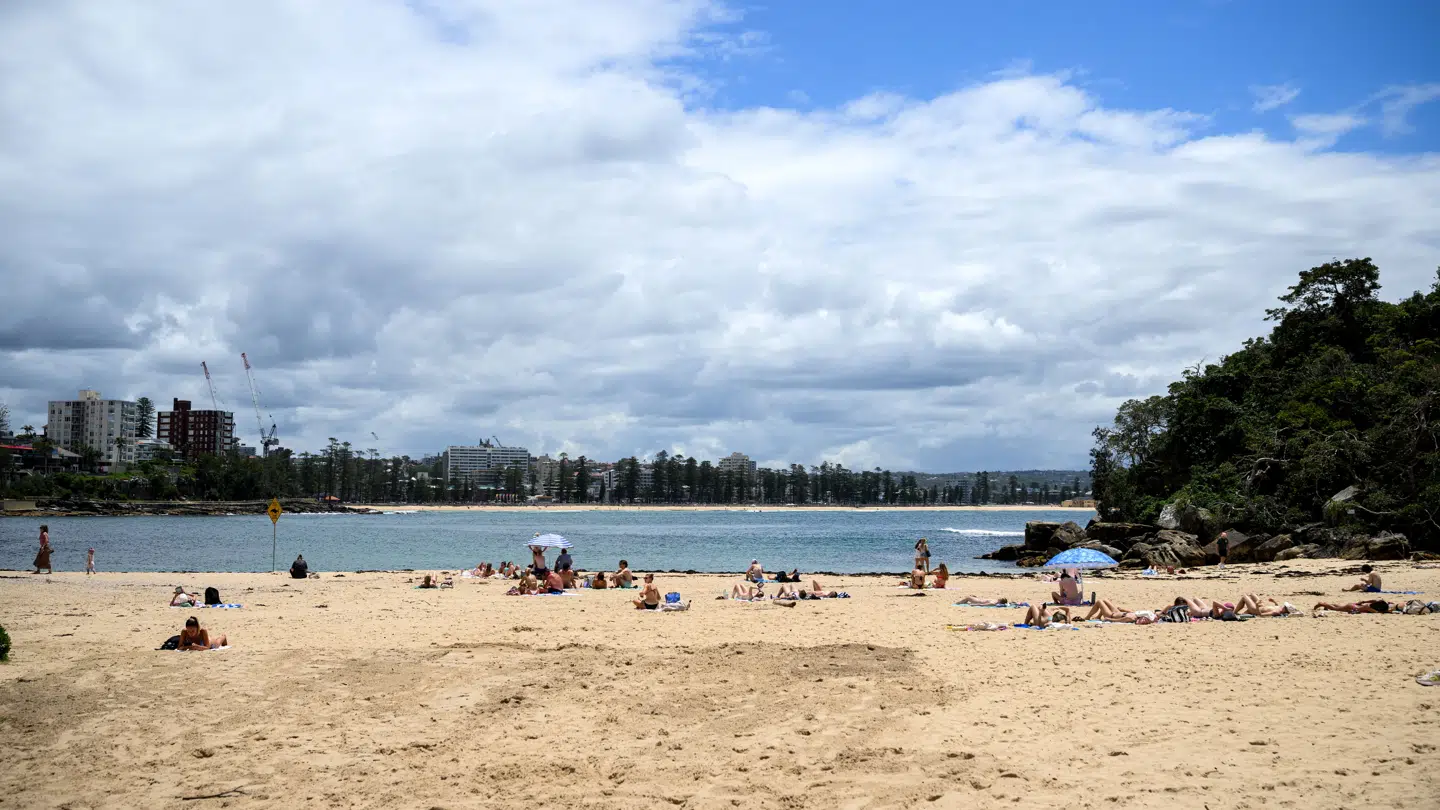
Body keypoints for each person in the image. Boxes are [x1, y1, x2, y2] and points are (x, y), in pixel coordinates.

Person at [1081, 599, 1157, 624]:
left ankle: (1087, 617)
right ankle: (1098, 616)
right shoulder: (1136, 615)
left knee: (1099, 602)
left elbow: (1121, 620)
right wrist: (1122, 609)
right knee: (1105, 600)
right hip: (1118, 612)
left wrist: (1109, 619)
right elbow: (1131, 612)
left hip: (1111, 615)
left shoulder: (1132, 618)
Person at [1235, 594, 1301, 617]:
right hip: (1262, 607)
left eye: (1285, 606)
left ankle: (1234, 612)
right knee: (1252, 594)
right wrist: (1274, 602)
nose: (1283, 606)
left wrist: (1257, 606)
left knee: (1244, 597)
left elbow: (1261, 615)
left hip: (1256, 610)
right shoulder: (1280, 608)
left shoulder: (1276, 612)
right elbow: (1276, 606)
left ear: (1286, 609)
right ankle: (1246, 611)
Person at [1313, 599, 1390, 614]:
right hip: (1352, 607)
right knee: (1335, 609)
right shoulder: (1370, 607)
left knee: (1339, 607)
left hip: (1354, 605)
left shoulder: (1371, 604)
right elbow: (1376, 612)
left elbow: (1375, 600)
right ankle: (1321, 603)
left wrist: (1364, 601)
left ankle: (1326, 604)